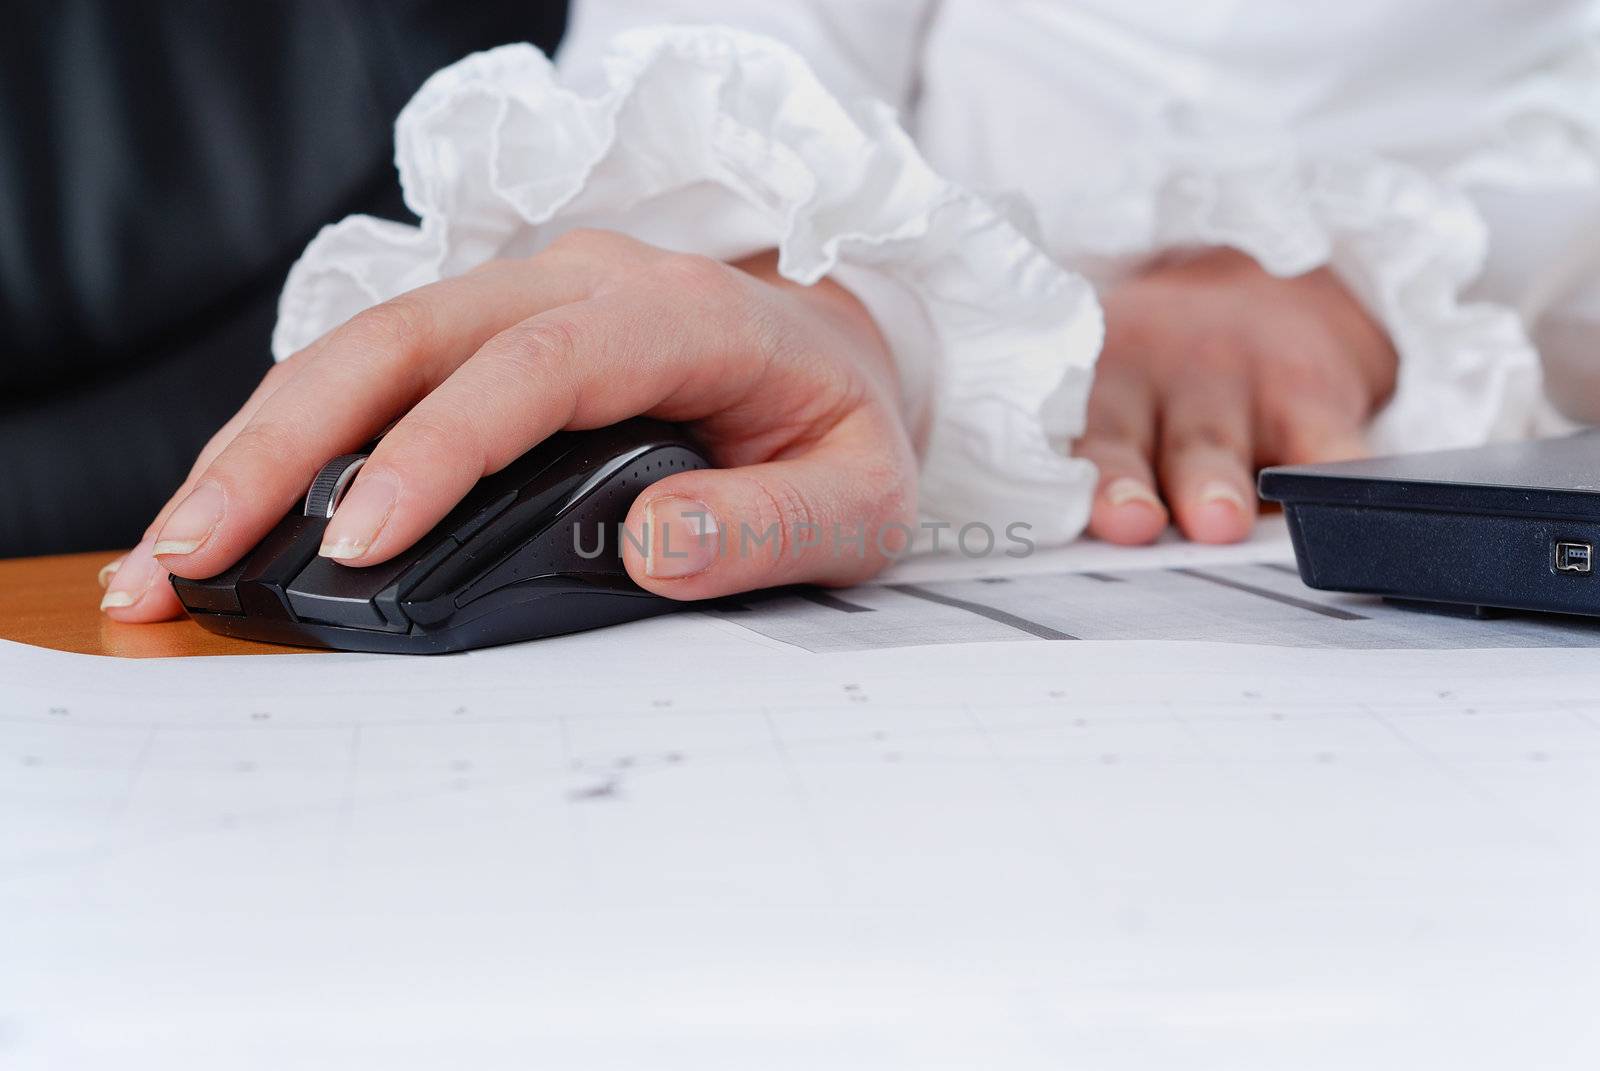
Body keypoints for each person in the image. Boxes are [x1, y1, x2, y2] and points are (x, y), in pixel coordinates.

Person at [100, 0, 1600, 621]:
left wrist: (1350, 293)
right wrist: (798, 292)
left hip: (1422, 471)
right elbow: (740, 42)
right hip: (936, 471)